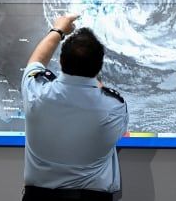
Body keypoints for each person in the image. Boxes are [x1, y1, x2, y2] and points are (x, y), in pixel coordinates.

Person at [21, 14, 128, 201]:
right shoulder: (115, 107)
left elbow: (35, 62)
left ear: (61, 61)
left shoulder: (36, 93)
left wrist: (58, 30)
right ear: (98, 67)